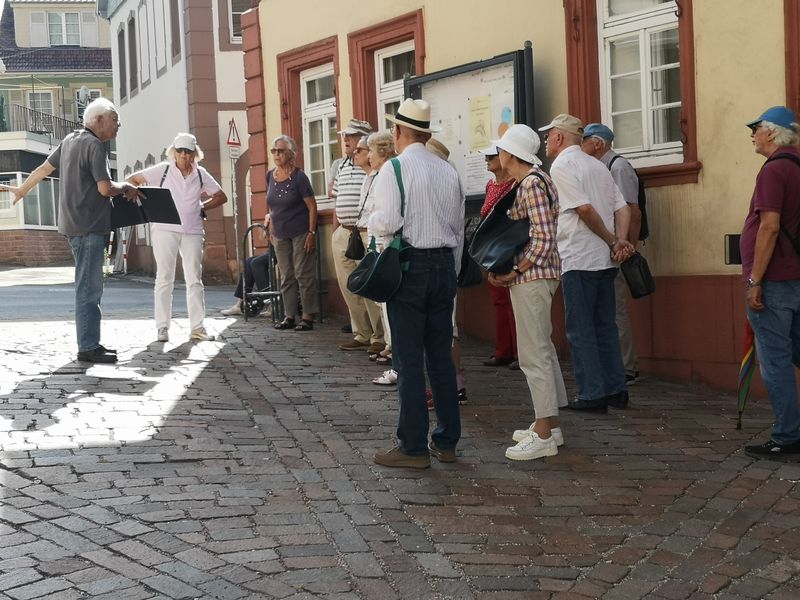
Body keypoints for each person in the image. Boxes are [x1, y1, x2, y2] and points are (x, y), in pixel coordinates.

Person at [0, 98, 139, 363]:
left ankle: (90, 343)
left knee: (87, 286)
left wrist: (22, 189)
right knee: (89, 288)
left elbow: (44, 168)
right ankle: (88, 347)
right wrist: (126, 187)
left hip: (72, 224)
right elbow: (105, 188)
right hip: (90, 225)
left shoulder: (70, 140)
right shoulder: (94, 145)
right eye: (115, 120)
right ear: (99, 120)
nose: (117, 126)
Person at [370, 99, 464, 469]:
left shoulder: (394, 168)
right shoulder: (447, 170)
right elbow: (458, 229)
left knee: (408, 360)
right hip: (443, 265)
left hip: (409, 266)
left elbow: (386, 223)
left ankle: (412, 447)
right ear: (425, 134)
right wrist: (452, 272)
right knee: (440, 357)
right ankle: (447, 440)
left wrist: (375, 231)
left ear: (398, 132)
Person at [539, 113, 634, 412]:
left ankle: (592, 393)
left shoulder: (562, 166)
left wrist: (612, 240)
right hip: (604, 259)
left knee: (581, 329)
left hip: (579, 255)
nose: (546, 141)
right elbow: (623, 208)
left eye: (548, 135)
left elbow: (583, 209)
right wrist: (620, 240)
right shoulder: (597, 164)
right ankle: (616, 389)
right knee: (605, 326)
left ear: (559, 137)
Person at [486, 125, 567, 461]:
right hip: (538, 276)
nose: (498, 154)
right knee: (540, 349)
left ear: (510, 154)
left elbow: (544, 239)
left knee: (533, 355)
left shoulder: (531, 183)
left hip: (532, 277)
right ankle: (549, 424)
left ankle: (544, 434)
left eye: (501, 149)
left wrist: (515, 270)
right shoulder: (534, 180)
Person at [740, 105, 800, 459]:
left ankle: (787, 435)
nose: (753, 135)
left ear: (773, 133)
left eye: (757, 129)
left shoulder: (774, 170)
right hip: (795, 277)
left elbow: (770, 227)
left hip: (774, 281)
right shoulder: (797, 166)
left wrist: (755, 280)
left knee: (775, 360)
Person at [127, 133, 226, 343]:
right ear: (174, 152)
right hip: (165, 228)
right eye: (180, 151)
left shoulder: (200, 174)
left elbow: (220, 196)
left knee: (194, 279)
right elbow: (132, 180)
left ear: (194, 154)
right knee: (164, 277)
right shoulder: (163, 169)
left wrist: (202, 207)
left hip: (193, 230)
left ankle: (197, 328)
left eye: (188, 152)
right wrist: (142, 197)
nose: (183, 155)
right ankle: (162, 327)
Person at [581, 123, 641, 384]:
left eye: (584, 140)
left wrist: (627, 247)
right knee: (608, 309)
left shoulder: (617, 167)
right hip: (607, 247)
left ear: (597, 143)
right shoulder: (598, 167)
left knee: (616, 309)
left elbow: (632, 210)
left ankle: (627, 366)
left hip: (619, 249)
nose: (580, 145)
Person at [331, 119, 384, 354]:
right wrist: (336, 231)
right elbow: (336, 199)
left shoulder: (371, 165)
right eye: (345, 136)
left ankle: (378, 336)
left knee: (368, 285)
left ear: (364, 139)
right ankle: (361, 333)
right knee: (349, 286)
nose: (346, 140)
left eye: (351, 136)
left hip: (364, 232)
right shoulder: (341, 165)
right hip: (344, 231)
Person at [264, 135, 319, 331]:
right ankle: (289, 316)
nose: (276, 154)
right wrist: (269, 222)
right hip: (279, 233)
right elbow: (271, 203)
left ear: (290, 154)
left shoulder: (299, 177)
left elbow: (312, 206)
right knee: (286, 275)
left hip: (300, 231)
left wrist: (311, 232)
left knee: (303, 274)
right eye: (274, 151)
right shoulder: (270, 176)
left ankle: (308, 316)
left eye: (280, 151)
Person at [479, 145, 518, 369]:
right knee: (499, 300)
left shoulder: (515, 184)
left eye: (491, 156)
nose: (487, 159)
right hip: (492, 249)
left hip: (509, 248)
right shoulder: (490, 185)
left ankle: (519, 352)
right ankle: (503, 350)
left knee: (512, 301)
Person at [351, 134, 385, 354]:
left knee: (375, 288)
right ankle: (370, 334)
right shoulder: (368, 177)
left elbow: (380, 211)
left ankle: (381, 338)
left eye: (361, 150)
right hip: (362, 233)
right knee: (362, 286)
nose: (356, 154)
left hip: (374, 236)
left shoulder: (382, 176)